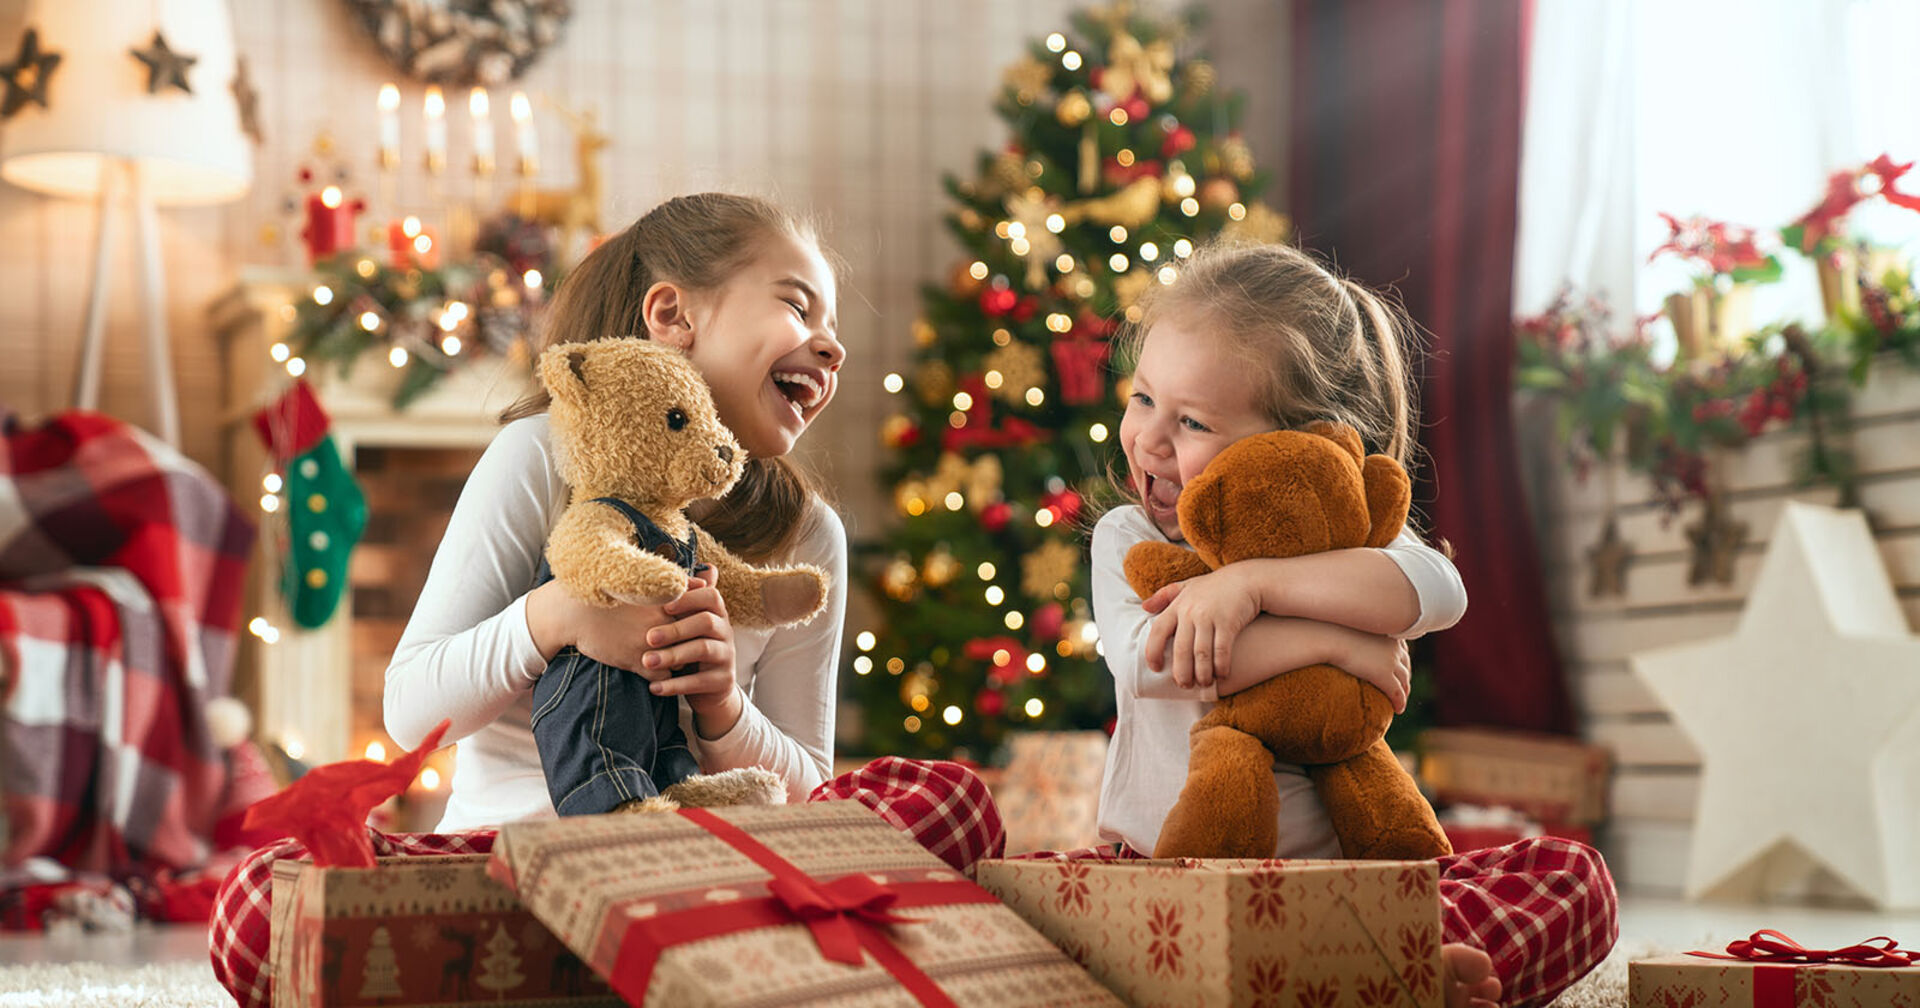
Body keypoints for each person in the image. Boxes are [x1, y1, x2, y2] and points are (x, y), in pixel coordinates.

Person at [209, 194, 1001, 1007]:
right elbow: (411, 709)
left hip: (703, 867)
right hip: (511, 868)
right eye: (798, 307)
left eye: (832, 330)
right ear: (672, 313)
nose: (830, 347)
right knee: (263, 902)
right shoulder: (536, 457)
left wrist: (724, 710)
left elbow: (811, 791)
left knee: (954, 803)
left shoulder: (807, 537)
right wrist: (557, 619)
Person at [1088, 240, 1617, 1008]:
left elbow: (1439, 589)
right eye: (1143, 399)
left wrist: (1251, 584)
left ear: (1299, 443)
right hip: (1169, 879)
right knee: (1038, 897)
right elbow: (1150, 661)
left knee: (1576, 879)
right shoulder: (1131, 539)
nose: (1150, 438)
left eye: (1193, 421)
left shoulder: (1352, 534)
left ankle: (1354, 969)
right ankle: (1371, 979)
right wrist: (1335, 640)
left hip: (1342, 888)